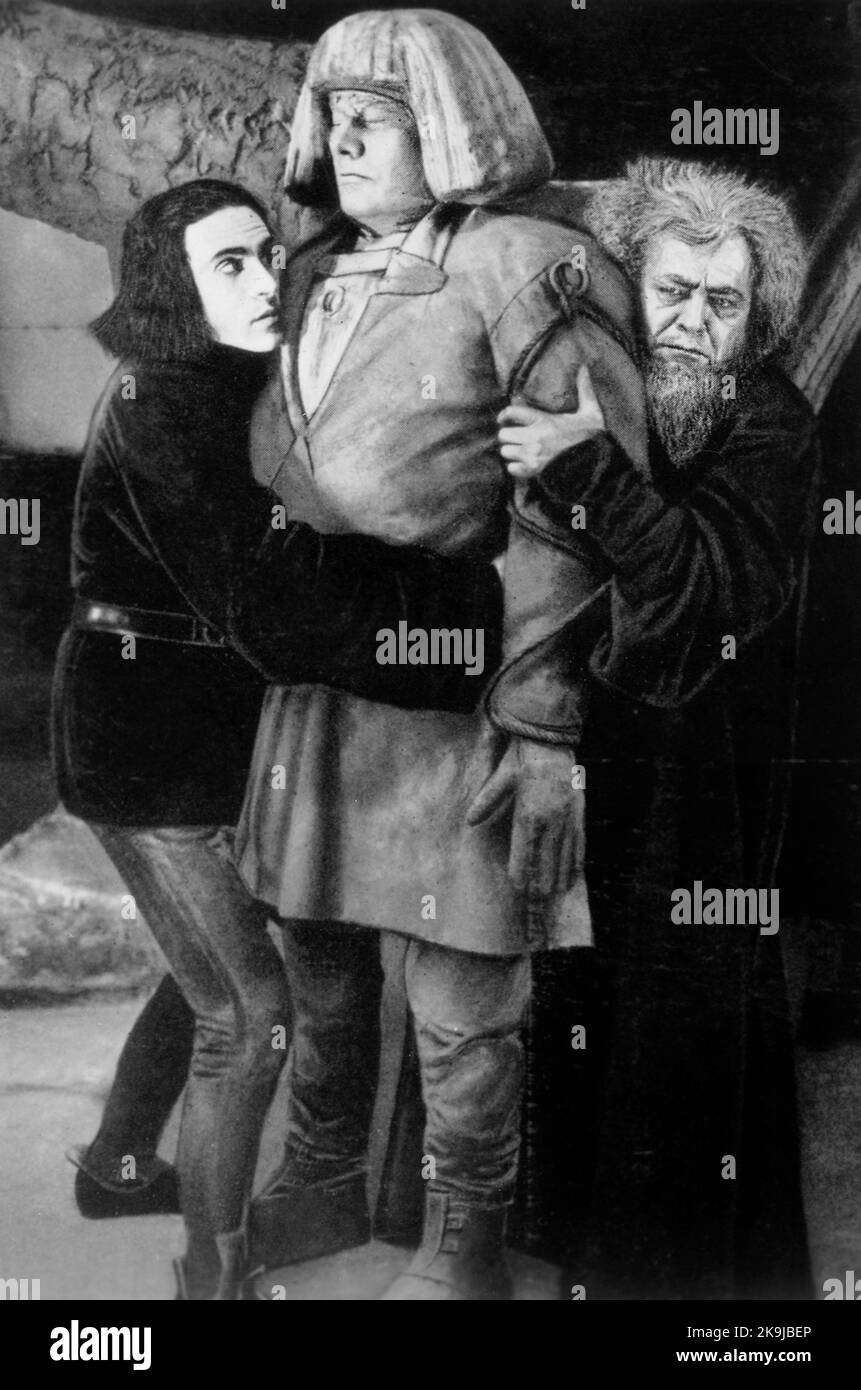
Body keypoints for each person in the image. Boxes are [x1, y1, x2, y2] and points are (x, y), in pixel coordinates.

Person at [234, 8, 648, 1300]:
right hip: (323, 681)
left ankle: (463, 1236)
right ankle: (319, 1171)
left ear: (456, 124)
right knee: (312, 939)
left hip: (465, 691)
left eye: (379, 120)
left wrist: (541, 728)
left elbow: (573, 511)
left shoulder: (526, 265)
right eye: (335, 119)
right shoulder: (321, 265)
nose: (347, 144)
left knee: (466, 988)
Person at [52, 177, 503, 1298]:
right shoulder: (168, 401)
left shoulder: (227, 384)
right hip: (148, 745)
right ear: (171, 290)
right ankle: (213, 1279)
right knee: (247, 1016)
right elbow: (275, 602)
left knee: (203, 963)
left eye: (267, 256)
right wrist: (453, 646)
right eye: (231, 267)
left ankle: (115, 1164)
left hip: (192, 731)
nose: (268, 284)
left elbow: (312, 550)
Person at [495, 156, 820, 1299]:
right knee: (569, 1030)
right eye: (672, 291)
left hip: (701, 800)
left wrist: (579, 467)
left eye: (720, 302)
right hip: (592, 773)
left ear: (756, 317)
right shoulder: (603, 379)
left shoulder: (769, 424)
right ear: (633, 288)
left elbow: (686, 589)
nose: (690, 321)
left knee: (678, 1050)